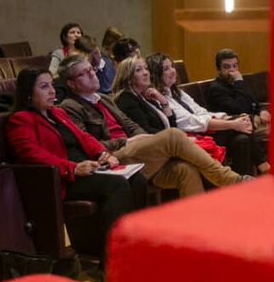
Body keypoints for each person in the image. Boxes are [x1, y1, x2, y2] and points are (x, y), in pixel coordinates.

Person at [56, 54, 245, 197]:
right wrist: (126, 141)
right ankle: (230, 179)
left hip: (136, 152)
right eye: (84, 73)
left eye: (91, 69)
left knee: (185, 170)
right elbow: (89, 145)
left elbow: (130, 125)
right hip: (113, 157)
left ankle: (197, 228)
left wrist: (144, 137)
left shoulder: (104, 99)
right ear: (71, 84)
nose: (92, 74)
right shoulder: (69, 107)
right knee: (173, 135)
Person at [5, 67, 137, 262]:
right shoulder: (20, 120)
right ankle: (113, 262)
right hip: (62, 179)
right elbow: (32, 154)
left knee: (137, 178)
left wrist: (102, 153)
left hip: (88, 169)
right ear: (28, 94)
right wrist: (72, 167)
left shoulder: (58, 113)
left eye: (51, 85)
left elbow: (84, 137)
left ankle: (137, 250)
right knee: (116, 186)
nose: (52, 91)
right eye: (44, 86)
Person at [145, 51, 265, 175]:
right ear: (156, 74)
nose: (172, 71)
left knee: (242, 139)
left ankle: (244, 185)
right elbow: (191, 122)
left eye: (172, 67)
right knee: (245, 122)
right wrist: (233, 124)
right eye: (166, 69)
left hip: (205, 130)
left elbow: (201, 112)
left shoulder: (177, 92)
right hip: (192, 138)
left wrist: (227, 118)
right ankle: (262, 164)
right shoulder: (159, 98)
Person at [204, 49, 272, 151]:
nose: (232, 70)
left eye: (235, 66)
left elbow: (253, 102)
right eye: (227, 67)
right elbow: (240, 109)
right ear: (218, 70)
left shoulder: (237, 83)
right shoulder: (217, 89)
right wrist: (239, 82)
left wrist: (262, 111)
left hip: (254, 121)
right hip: (238, 128)